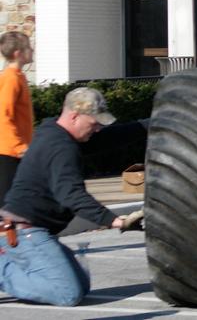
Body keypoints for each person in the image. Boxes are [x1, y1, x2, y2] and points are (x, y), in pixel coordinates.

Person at [0, 87, 144, 306]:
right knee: (67, 292)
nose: (97, 129)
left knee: (81, 285)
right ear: (74, 116)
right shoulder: (61, 148)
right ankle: (3, 270)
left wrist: (152, 124)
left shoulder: (53, 131)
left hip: (30, 231)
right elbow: (71, 194)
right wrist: (115, 221)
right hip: (24, 233)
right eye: (94, 122)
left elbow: (111, 138)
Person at [0, 31, 33, 203]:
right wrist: (19, 146)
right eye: (28, 47)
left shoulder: (19, 77)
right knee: (7, 205)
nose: (32, 50)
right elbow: (3, 115)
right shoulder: (11, 78)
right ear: (18, 54)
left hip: (15, 150)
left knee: (15, 204)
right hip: (8, 151)